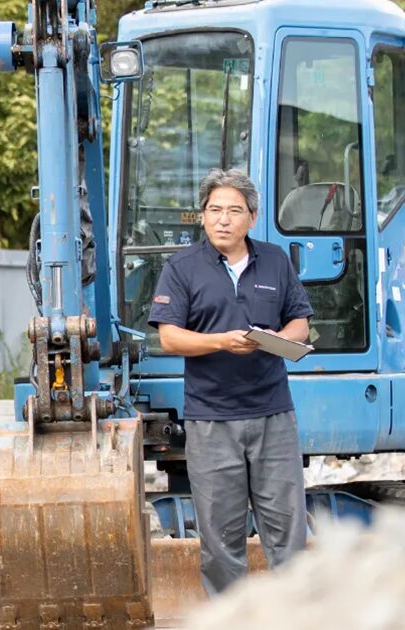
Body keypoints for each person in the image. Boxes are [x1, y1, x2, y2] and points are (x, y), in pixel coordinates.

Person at [148, 168, 313, 595]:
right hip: (212, 419)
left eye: (234, 210)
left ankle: (295, 618)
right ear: (202, 216)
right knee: (220, 539)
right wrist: (221, 341)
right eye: (215, 209)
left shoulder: (275, 260)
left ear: (252, 218)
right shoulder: (182, 267)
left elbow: (300, 325)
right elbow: (169, 337)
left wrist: (277, 339)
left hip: (274, 415)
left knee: (288, 533)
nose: (224, 219)